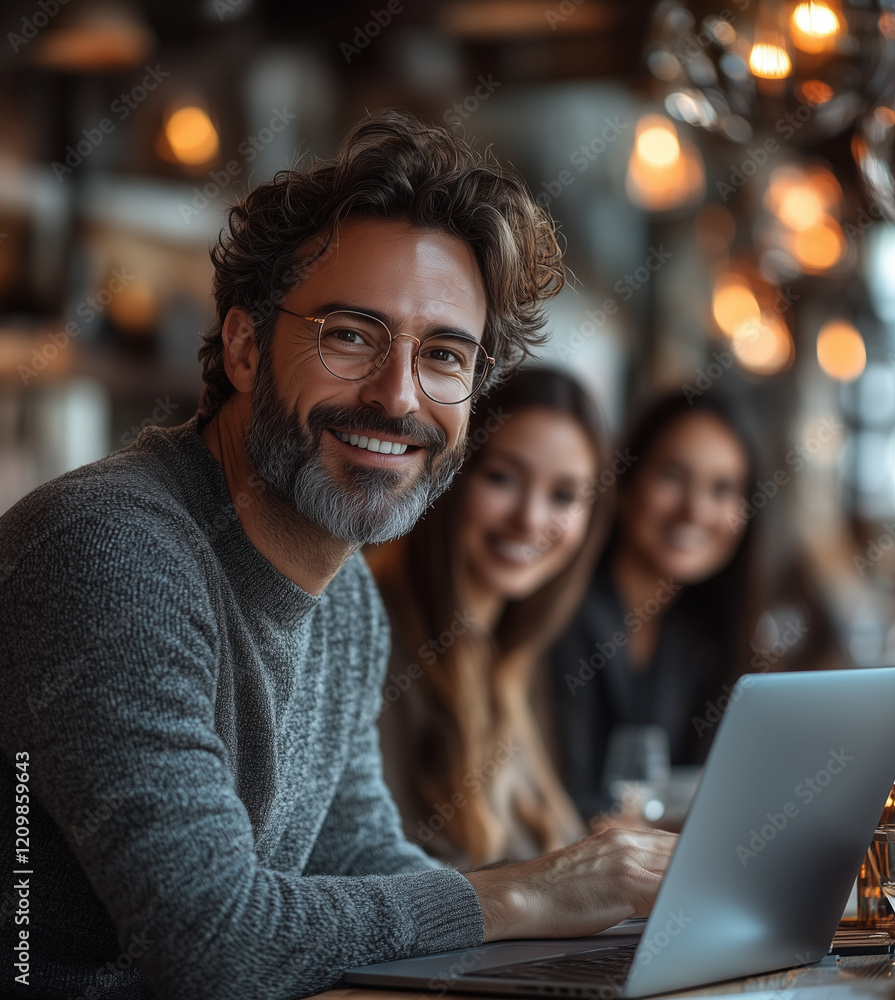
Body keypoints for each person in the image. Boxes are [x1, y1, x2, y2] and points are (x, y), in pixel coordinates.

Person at [0, 109, 675, 1000]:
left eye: (443, 356)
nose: (397, 397)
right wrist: (529, 893)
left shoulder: (346, 593)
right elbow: (214, 943)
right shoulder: (111, 550)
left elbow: (356, 859)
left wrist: (604, 920)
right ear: (244, 346)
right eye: (351, 335)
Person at [377, 367, 613, 867]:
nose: (529, 518)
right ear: (452, 475)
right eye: (503, 478)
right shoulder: (378, 639)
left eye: (564, 495)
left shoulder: (515, 656)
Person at [548, 391, 768, 822]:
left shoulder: (704, 633)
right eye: (672, 476)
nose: (695, 510)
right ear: (626, 484)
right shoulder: (557, 613)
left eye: (722, 489)